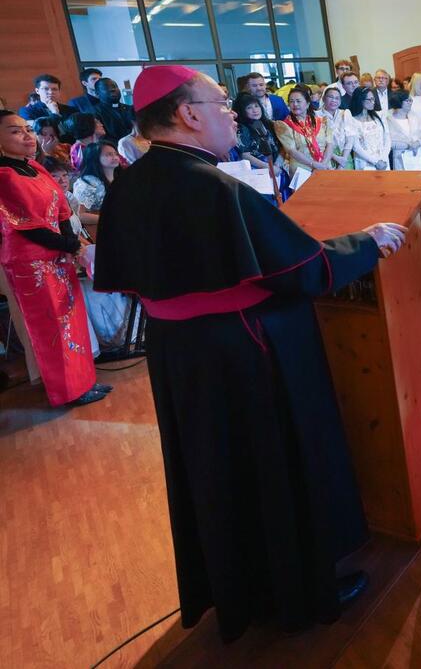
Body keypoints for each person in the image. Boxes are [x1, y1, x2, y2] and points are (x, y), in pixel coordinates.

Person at [93, 64, 405, 643]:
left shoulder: (132, 183)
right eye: (219, 103)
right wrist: (370, 241)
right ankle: (301, 588)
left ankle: (237, 587)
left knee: (216, 470)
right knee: (275, 461)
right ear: (187, 114)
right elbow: (302, 269)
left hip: (179, 354)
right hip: (245, 347)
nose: (232, 111)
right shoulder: (213, 185)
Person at [0, 110, 105, 406]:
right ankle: (67, 391)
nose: (26, 136)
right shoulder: (4, 176)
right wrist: (71, 245)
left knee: (70, 320)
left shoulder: (36, 168)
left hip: (56, 253)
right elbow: (29, 228)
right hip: (30, 261)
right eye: (14, 131)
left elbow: (60, 211)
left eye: (27, 130)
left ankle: (83, 382)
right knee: (51, 328)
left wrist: (69, 245)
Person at [275, 84, 332, 191]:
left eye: (298, 101)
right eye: (291, 101)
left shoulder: (322, 121)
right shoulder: (284, 125)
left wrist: (323, 164)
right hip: (301, 169)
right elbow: (291, 151)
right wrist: (313, 164)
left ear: (307, 103)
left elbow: (329, 144)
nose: (295, 104)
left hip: (324, 166)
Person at [72, 138, 123, 229]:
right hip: (101, 227)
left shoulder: (120, 177)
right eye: (109, 154)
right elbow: (80, 214)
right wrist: (110, 218)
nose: (115, 157)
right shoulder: (87, 183)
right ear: (95, 158)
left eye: (116, 154)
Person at [232, 91, 282, 172]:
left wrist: (278, 163)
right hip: (258, 170)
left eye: (256, 106)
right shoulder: (242, 128)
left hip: (275, 166)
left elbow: (279, 146)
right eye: (249, 108)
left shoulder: (268, 124)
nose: (255, 110)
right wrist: (269, 168)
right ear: (242, 111)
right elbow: (245, 155)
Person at [347, 86, 390, 171]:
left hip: (383, 161)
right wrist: (375, 162)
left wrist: (383, 158)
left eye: (373, 99)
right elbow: (356, 146)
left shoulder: (379, 116)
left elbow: (387, 139)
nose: (373, 102)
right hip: (365, 163)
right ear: (360, 100)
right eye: (369, 100)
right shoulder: (352, 120)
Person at [386, 90, 421, 171]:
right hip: (400, 157)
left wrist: (418, 143)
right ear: (399, 102)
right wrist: (408, 145)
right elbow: (388, 142)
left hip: (418, 156)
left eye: (411, 100)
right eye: (408, 100)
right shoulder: (389, 120)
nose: (411, 102)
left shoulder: (416, 117)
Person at [317, 86, 355, 170]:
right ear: (323, 99)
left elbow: (350, 139)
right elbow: (317, 142)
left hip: (344, 156)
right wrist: (335, 158)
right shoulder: (316, 115)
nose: (334, 100)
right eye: (330, 97)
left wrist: (342, 161)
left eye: (337, 98)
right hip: (325, 158)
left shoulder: (345, 113)